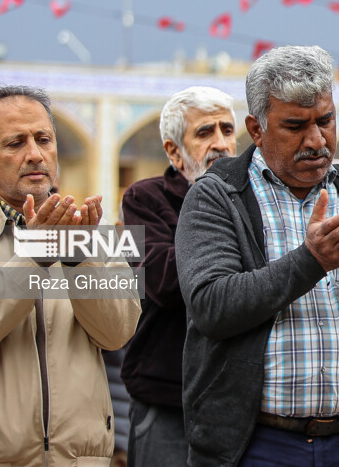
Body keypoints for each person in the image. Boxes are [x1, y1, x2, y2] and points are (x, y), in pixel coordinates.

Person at [174, 45, 339, 466]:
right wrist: (312, 260)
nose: (316, 140)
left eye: (325, 121)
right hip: (257, 445)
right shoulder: (218, 196)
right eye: (295, 126)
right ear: (256, 130)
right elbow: (211, 305)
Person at [0, 85, 141, 467]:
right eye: (15, 143)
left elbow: (118, 332)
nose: (35, 154)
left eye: (44, 139)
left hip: (80, 459)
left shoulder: (93, 232)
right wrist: (36, 254)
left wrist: (76, 256)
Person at [120, 85, 236, 466]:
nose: (220, 143)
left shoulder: (256, 198)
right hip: (167, 400)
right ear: (174, 151)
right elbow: (165, 282)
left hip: (235, 402)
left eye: (227, 130)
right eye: (205, 132)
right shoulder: (145, 199)